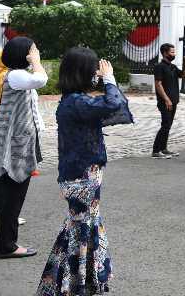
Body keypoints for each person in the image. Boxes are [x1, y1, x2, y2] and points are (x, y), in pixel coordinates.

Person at [37, 48, 132, 294]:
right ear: (83, 72)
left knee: (79, 227)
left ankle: (74, 282)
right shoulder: (77, 103)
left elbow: (111, 108)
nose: (96, 73)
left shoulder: (75, 100)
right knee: (82, 228)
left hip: (80, 174)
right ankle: (75, 284)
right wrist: (109, 78)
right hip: (82, 176)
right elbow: (114, 102)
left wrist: (105, 82)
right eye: (93, 69)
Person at [0, 37, 46, 259]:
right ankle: (7, 245)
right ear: (23, 54)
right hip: (15, 146)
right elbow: (41, 79)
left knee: (8, 193)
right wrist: (36, 61)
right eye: (33, 49)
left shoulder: (18, 75)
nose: (36, 52)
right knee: (12, 195)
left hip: (21, 141)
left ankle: (3, 241)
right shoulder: (16, 75)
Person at [152, 43, 185, 159]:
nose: (174, 54)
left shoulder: (172, 67)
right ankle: (156, 150)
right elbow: (158, 84)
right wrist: (166, 99)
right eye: (172, 52)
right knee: (165, 125)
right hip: (165, 102)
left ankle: (163, 148)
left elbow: (184, 75)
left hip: (174, 101)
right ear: (165, 53)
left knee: (168, 126)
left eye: (174, 52)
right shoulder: (159, 67)